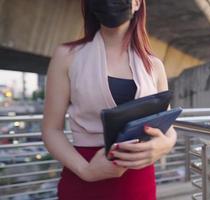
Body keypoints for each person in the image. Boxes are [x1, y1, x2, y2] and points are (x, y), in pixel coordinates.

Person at [41, 0, 177, 199]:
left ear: (138, 3)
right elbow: (51, 129)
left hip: (139, 184)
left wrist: (165, 144)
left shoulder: (154, 65)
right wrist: (86, 170)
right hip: (83, 177)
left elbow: (168, 125)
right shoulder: (67, 56)